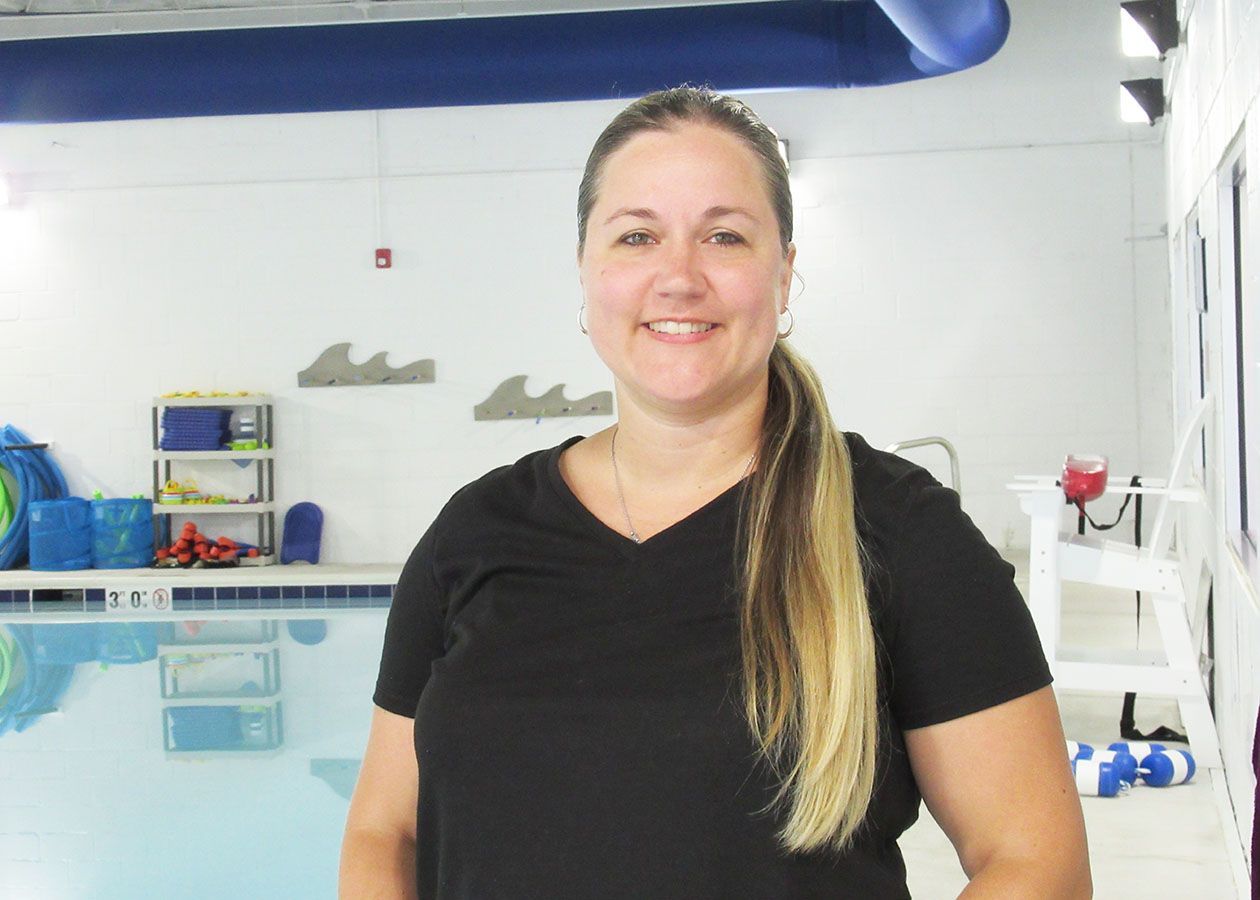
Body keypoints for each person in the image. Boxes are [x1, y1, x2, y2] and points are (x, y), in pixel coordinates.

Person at [340, 86, 1091, 899]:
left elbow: (1034, 858)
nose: (678, 277)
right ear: (588, 272)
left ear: (784, 275)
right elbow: (387, 831)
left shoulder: (897, 532)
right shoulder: (477, 532)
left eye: (724, 236)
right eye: (636, 236)